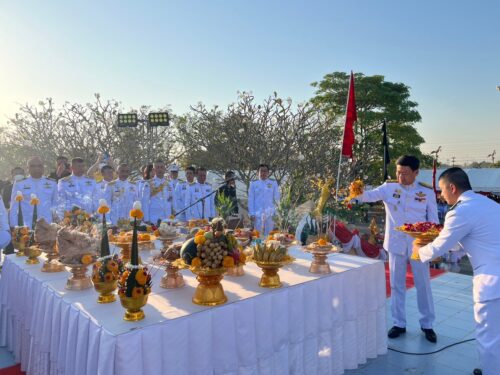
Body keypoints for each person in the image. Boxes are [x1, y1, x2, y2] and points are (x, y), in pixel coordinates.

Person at [414, 168, 500, 375]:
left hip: (492, 281)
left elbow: (440, 247)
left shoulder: (460, 211)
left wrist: (419, 251)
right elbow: (467, 241)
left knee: (488, 336)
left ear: (452, 187)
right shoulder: (490, 204)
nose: (442, 195)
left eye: (442, 190)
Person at [350, 155, 439, 343]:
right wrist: (356, 190)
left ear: (416, 173)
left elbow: (433, 221)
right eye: (398, 172)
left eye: (405, 173)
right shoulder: (389, 188)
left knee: (423, 284)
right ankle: (399, 323)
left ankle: (427, 324)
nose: (401, 177)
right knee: (396, 284)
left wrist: (432, 243)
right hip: (396, 243)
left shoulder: (427, 192)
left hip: (418, 245)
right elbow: (368, 196)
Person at [9, 157, 58, 228]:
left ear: (43, 167)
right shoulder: (20, 183)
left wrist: (58, 221)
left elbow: (56, 204)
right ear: (27, 168)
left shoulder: (52, 183)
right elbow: (14, 206)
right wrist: (13, 226)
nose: (36, 168)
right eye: (33, 166)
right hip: (27, 226)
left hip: (48, 225)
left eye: (39, 166)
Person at [248, 164, 280, 236]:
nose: (263, 173)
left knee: (270, 236)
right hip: (257, 215)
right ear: (258, 173)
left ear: (268, 173)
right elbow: (251, 200)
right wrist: (251, 213)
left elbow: (277, 199)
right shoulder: (253, 184)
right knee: (258, 236)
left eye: (265, 171)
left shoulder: (273, 183)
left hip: (270, 215)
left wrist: (277, 213)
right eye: (261, 171)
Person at [141, 160, 173, 224]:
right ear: (154, 170)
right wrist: (146, 219)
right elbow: (145, 203)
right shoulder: (148, 184)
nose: (160, 169)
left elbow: (172, 200)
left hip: (167, 217)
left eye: (161, 167)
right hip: (154, 218)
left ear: (164, 169)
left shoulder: (169, 183)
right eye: (157, 167)